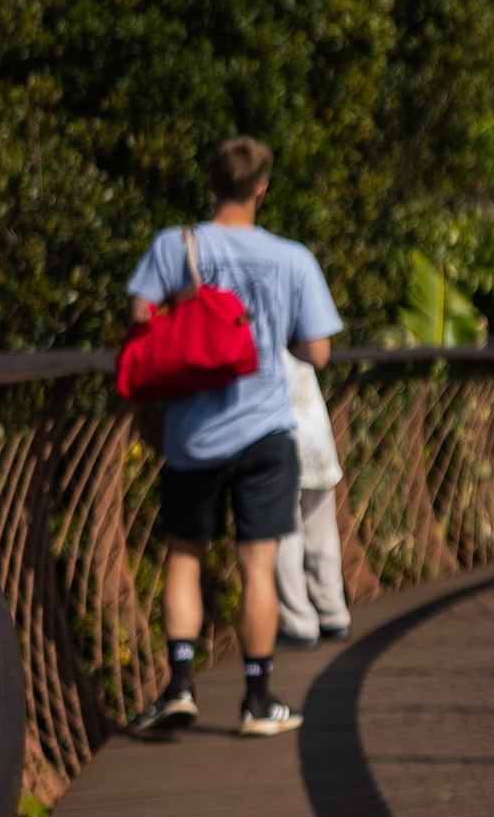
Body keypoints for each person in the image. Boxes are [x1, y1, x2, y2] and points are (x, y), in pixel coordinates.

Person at [126, 137, 342, 738]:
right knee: (258, 566)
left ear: (211, 181)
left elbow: (140, 321)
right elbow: (318, 351)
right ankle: (257, 700)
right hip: (266, 431)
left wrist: (150, 406)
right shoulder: (292, 257)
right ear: (262, 187)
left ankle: (179, 686)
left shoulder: (175, 246)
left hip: (191, 431)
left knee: (184, 555)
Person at [274, 356, 352, 646]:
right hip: (314, 433)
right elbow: (318, 352)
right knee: (321, 530)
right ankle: (333, 612)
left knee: (285, 534)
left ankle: (300, 621)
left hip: (280, 436)